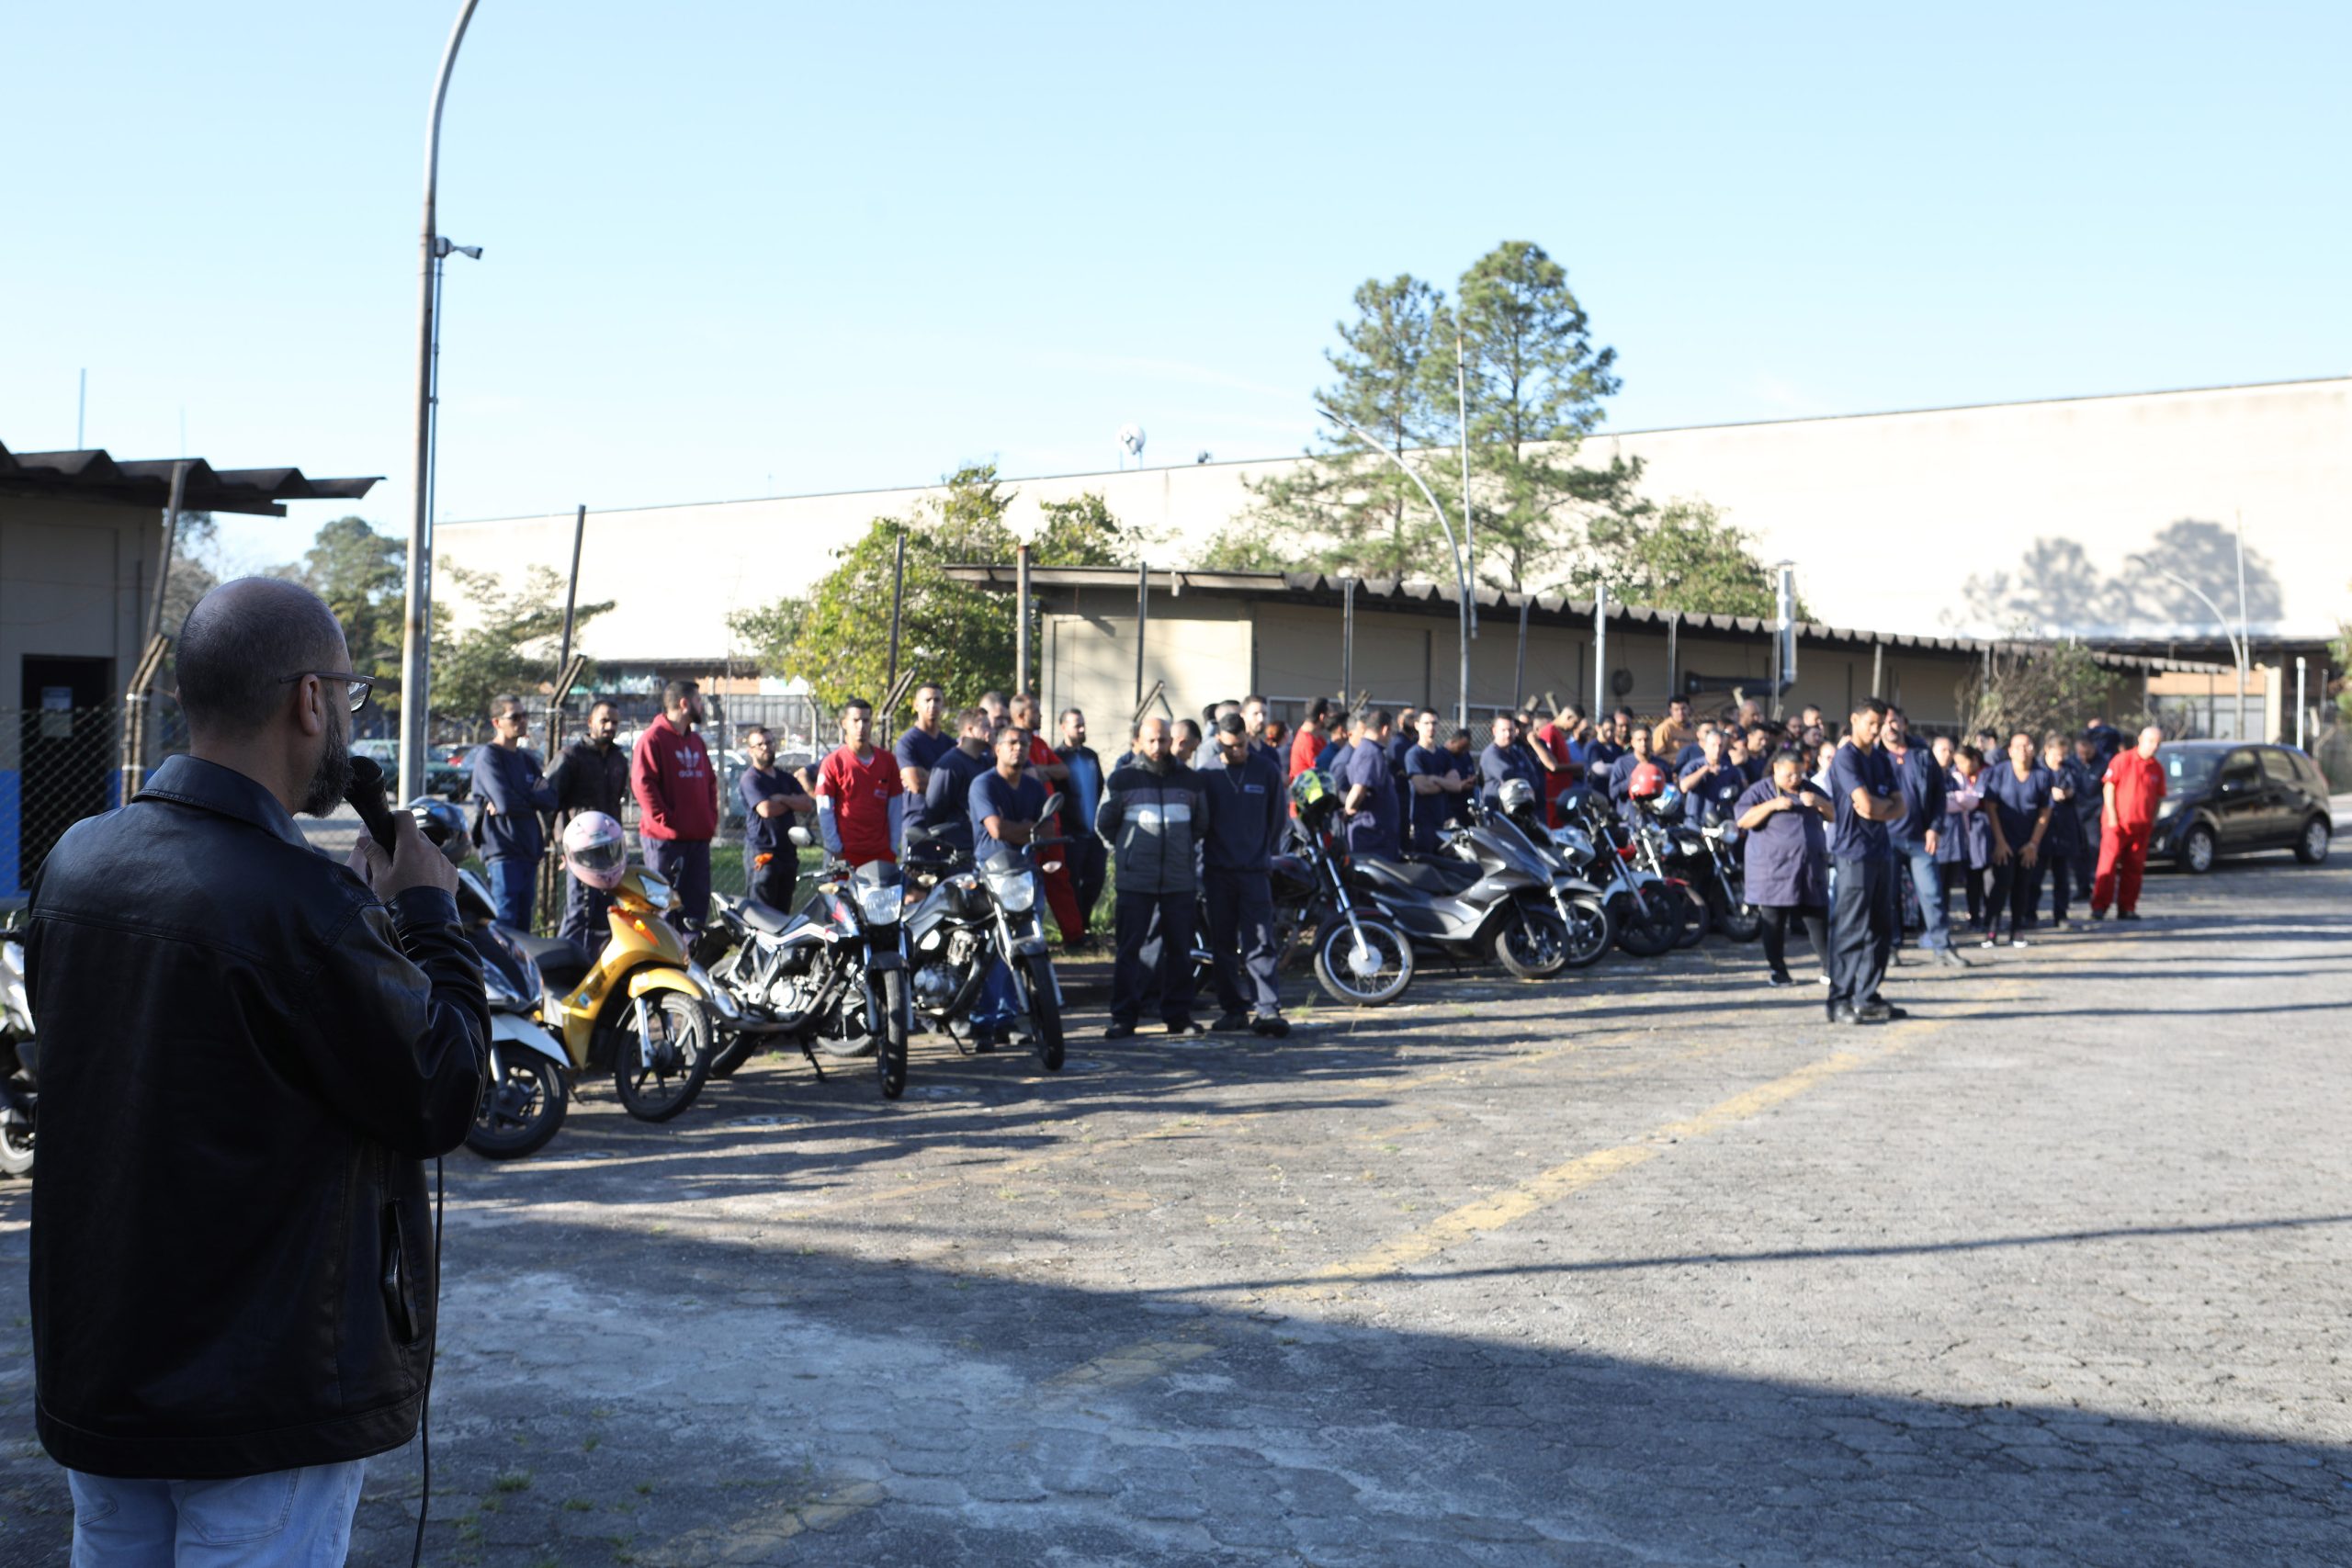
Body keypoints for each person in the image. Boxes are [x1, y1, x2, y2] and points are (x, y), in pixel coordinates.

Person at [25, 578, 486, 1558]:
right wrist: (429, 918)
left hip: (105, 1371)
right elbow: (443, 1091)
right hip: (264, 1399)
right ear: (309, 700)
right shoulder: (309, 907)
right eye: (351, 695)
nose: (348, 721)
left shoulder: (74, 862)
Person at [1099, 716, 1207, 1039]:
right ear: (1139, 742)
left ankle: (1178, 1016)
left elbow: (1201, 825)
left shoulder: (1191, 781)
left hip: (1178, 879)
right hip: (1136, 879)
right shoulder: (1122, 780)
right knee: (1130, 949)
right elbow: (1104, 823)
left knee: (1179, 950)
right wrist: (1128, 851)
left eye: (1163, 740)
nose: (1158, 747)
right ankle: (1124, 1017)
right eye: (1151, 741)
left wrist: (1182, 851)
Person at [1200, 713, 1290, 1036]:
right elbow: (1202, 823)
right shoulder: (1208, 774)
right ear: (1218, 742)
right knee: (1222, 944)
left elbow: (1277, 819)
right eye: (1228, 747)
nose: (1234, 752)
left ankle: (1267, 1010)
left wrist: (1262, 854)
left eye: (1240, 746)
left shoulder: (1265, 770)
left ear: (1248, 740)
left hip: (1254, 871)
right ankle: (1232, 1009)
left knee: (1261, 941)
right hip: (1218, 872)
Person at [1826, 698, 1908, 1023]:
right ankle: (1839, 999)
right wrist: (1881, 807)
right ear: (1855, 720)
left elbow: (1900, 807)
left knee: (1880, 928)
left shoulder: (1882, 760)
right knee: (1850, 928)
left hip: (1880, 851)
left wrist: (1879, 807)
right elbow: (1866, 806)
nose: (1876, 730)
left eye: (1880, 723)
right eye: (1870, 723)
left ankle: (1867, 995)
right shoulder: (1846, 759)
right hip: (1853, 853)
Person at [967, 725, 1049, 1049]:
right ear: (997, 748)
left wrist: (1026, 831)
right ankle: (983, 1023)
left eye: (1024, 743)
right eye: (1012, 743)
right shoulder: (983, 784)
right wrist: (1027, 830)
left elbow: (1045, 831)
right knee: (993, 951)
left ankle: (1009, 1020)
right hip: (992, 877)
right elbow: (996, 829)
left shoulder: (1034, 787)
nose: (1019, 748)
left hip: (1026, 877)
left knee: (1027, 947)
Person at [1736, 748, 1834, 987]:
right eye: (1790, 774)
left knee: (1817, 916)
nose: (1795, 779)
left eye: (1799, 773)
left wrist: (1819, 802)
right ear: (1777, 769)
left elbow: (1834, 815)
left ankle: (1831, 969)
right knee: (1774, 920)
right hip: (1773, 869)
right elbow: (1743, 820)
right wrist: (1771, 806)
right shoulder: (1760, 791)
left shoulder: (1810, 788)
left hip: (1809, 867)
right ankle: (1778, 970)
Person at [631, 678, 718, 931]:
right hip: (665, 842)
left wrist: (709, 820)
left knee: (695, 909)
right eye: (698, 701)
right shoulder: (653, 739)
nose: (701, 707)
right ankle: (661, 963)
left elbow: (711, 784)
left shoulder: (696, 741)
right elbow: (642, 784)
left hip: (697, 839)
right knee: (663, 908)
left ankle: (691, 962)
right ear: (684, 704)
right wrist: (666, 818)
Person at [1883, 707, 1963, 967]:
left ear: (1904, 724)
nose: (1890, 727)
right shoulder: (1874, 757)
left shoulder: (1921, 754)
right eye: (1885, 722)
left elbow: (1939, 794)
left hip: (1920, 837)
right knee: (1888, 896)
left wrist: (1935, 827)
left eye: (1895, 721)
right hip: (1886, 838)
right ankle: (1891, 947)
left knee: (1932, 893)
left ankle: (1942, 947)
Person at [470, 694, 559, 931]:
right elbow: (505, 802)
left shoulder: (527, 760)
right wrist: (531, 795)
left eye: (525, 715)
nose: (522, 721)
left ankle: (521, 969)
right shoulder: (489, 757)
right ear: (497, 722)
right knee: (505, 924)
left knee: (523, 927)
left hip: (529, 852)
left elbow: (551, 799)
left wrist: (520, 796)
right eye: (515, 716)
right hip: (504, 853)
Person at [549, 699, 629, 950]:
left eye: (614, 722)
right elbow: (551, 802)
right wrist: (560, 847)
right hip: (580, 850)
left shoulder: (619, 758)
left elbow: (616, 801)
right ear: (590, 722)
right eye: (604, 720)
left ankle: (596, 969)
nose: (609, 726)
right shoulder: (571, 757)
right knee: (578, 910)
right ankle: (564, 968)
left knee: (605, 914)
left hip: (610, 851)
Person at [1981, 731, 2054, 947]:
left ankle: (2017, 930)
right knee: (2001, 883)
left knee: (2023, 885)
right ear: (2010, 751)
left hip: (2028, 839)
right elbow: (1991, 808)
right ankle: (1991, 930)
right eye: (2018, 746)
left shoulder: (2042, 775)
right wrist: (2000, 842)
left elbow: (2045, 812)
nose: (2023, 750)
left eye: (2027, 746)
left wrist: (2033, 843)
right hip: (2003, 837)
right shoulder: (1999, 772)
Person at [816, 697, 906, 869]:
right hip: (846, 854)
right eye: (855, 720)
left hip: (881, 854)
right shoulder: (833, 762)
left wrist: (892, 847)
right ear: (844, 723)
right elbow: (825, 810)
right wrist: (836, 849)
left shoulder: (888, 761)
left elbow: (895, 808)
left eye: (866, 720)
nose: (861, 726)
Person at [2093, 725, 2167, 920]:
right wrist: (2113, 817)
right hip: (2117, 825)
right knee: (2107, 866)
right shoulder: (2122, 760)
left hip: (2141, 826)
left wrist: (2153, 819)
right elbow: (2109, 788)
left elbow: (2159, 797)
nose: (2154, 747)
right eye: (2151, 741)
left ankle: (2127, 908)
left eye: (2158, 743)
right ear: (2141, 740)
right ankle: (2099, 906)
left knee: (2134, 869)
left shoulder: (2157, 768)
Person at [738, 725, 816, 910]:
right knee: (762, 915)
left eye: (769, 742)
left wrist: (781, 798)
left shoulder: (785, 778)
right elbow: (765, 809)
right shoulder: (751, 779)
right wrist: (791, 802)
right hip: (763, 855)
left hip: (787, 854)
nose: (766, 748)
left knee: (782, 914)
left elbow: (806, 804)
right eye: (760, 745)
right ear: (751, 751)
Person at [1057, 707, 1109, 934]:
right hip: (1071, 833)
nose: (1081, 729)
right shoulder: (1057, 757)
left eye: (1083, 724)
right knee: (1073, 881)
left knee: (1096, 878)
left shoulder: (1090, 755)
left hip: (1093, 832)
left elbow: (1098, 787)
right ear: (1063, 728)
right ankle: (1076, 930)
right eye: (1076, 725)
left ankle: (1085, 923)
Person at [1937, 740, 1994, 936]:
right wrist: (1962, 800)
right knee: (1969, 880)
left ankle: (1990, 917)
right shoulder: (1954, 776)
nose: (1959, 766)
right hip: (1961, 836)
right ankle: (1974, 915)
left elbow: (1976, 800)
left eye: (1962, 761)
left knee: (1987, 878)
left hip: (1984, 833)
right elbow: (1946, 802)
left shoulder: (1987, 773)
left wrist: (1959, 799)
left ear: (1974, 759)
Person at [922, 706, 995, 853]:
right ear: (970, 730)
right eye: (986, 726)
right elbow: (934, 809)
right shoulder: (950, 764)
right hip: (959, 850)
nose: (991, 731)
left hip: (982, 846)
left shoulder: (986, 762)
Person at [893, 682, 956, 838]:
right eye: (927, 700)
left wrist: (927, 776)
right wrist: (947, 783)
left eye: (937, 700)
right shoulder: (907, 742)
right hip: (918, 821)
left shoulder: (951, 744)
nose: (932, 705)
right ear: (916, 705)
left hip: (947, 821)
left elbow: (961, 786)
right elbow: (916, 783)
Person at [1405, 709, 1473, 852]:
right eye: (1426, 723)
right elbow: (1422, 787)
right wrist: (1445, 782)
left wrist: (1435, 779)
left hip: (1442, 821)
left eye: (1434, 723)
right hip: (1422, 823)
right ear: (1417, 725)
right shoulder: (1414, 755)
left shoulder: (1443, 754)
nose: (1431, 727)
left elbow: (1456, 786)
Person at [1340, 709, 1403, 860]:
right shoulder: (1370, 753)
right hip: (1372, 839)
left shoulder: (1367, 750)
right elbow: (1359, 789)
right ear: (1385, 729)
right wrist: (1348, 810)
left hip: (1377, 837)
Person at [2039, 733, 2086, 930]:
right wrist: (2049, 793)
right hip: (2042, 830)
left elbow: (2081, 791)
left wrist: (2069, 793)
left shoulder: (2070, 770)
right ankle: (2029, 912)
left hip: (2064, 829)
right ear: (2047, 750)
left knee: (2062, 877)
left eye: (2064, 754)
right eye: (2058, 754)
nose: (2060, 758)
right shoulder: (2037, 770)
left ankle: (2061, 914)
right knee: (2035, 876)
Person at [1678, 726, 1747, 829]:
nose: (1717, 749)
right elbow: (1684, 786)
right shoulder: (1694, 766)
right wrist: (1705, 770)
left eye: (1720, 746)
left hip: (1720, 826)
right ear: (1705, 746)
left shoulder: (1730, 770)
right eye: (1713, 745)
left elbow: (1739, 798)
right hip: (1695, 825)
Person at [2067, 732, 2106, 905]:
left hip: (2094, 815)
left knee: (2094, 851)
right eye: (2080, 753)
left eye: (2087, 753)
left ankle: (2096, 887)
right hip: (2074, 814)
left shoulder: (2102, 763)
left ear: (2093, 748)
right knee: (2076, 853)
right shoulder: (2071, 763)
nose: (2083, 757)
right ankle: (2082, 888)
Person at [1480, 712, 1544, 814]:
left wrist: (1523, 779)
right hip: (1497, 811)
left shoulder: (1517, 752)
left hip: (1519, 809)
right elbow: (1508, 777)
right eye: (1504, 730)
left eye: (1511, 730)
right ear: (1494, 731)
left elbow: (1534, 777)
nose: (1508, 734)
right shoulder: (1491, 754)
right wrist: (1524, 778)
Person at [1607, 725, 1658, 818]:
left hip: (1655, 818)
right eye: (1639, 740)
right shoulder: (1622, 763)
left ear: (1652, 741)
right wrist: (1633, 780)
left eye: (1646, 739)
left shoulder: (1660, 765)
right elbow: (1613, 793)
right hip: (1629, 820)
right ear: (1632, 742)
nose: (1643, 743)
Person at [1289, 698, 1332, 782]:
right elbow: (1320, 770)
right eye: (1329, 714)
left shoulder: (1317, 737)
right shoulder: (1307, 742)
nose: (1332, 718)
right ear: (1322, 717)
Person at [1653, 696, 1695, 760]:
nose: (1680, 712)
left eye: (1683, 708)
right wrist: (1681, 758)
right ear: (1671, 711)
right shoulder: (1664, 729)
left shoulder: (1692, 729)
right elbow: (1657, 756)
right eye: (1676, 709)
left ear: (1689, 709)